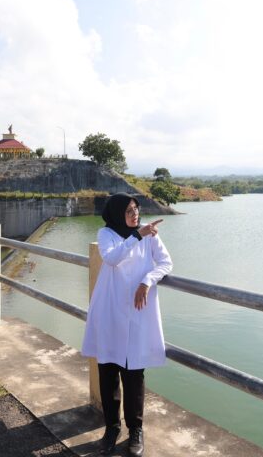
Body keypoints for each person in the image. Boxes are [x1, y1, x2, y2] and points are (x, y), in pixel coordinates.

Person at [81, 193, 172, 457]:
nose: (134, 214)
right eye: (129, 210)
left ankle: (136, 429)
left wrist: (148, 281)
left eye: (136, 209)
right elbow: (111, 258)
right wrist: (137, 236)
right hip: (109, 309)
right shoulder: (107, 233)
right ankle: (111, 427)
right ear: (117, 212)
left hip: (137, 311)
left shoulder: (150, 235)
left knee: (134, 374)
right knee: (108, 370)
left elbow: (166, 263)